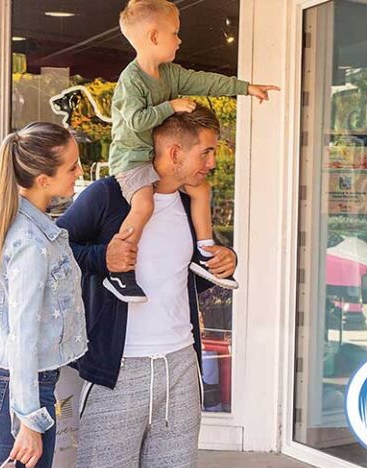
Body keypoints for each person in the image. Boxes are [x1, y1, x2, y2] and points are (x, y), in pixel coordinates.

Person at [57, 105, 238, 468]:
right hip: (117, 370)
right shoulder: (107, 196)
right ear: (174, 153)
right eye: (205, 151)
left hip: (181, 365)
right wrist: (101, 258)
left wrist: (225, 260)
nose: (212, 161)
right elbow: (52, 254)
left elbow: (185, 275)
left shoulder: (191, 204)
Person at [104, 0, 277, 302]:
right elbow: (134, 121)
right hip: (131, 159)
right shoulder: (131, 80)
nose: (180, 40)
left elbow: (203, 81)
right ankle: (120, 273)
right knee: (143, 205)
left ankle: (204, 252)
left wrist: (246, 87)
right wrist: (170, 106)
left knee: (201, 189)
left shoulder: (169, 74)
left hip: (151, 159)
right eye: (175, 33)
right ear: (154, 37)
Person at [0, 122, 88, 468]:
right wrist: (28, 419)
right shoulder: (31, 243)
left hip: (12, 383)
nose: (80, 172)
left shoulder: (21, 225)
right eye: (72, 167)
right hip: (16, 387)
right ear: (43, 180)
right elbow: (21, 336)